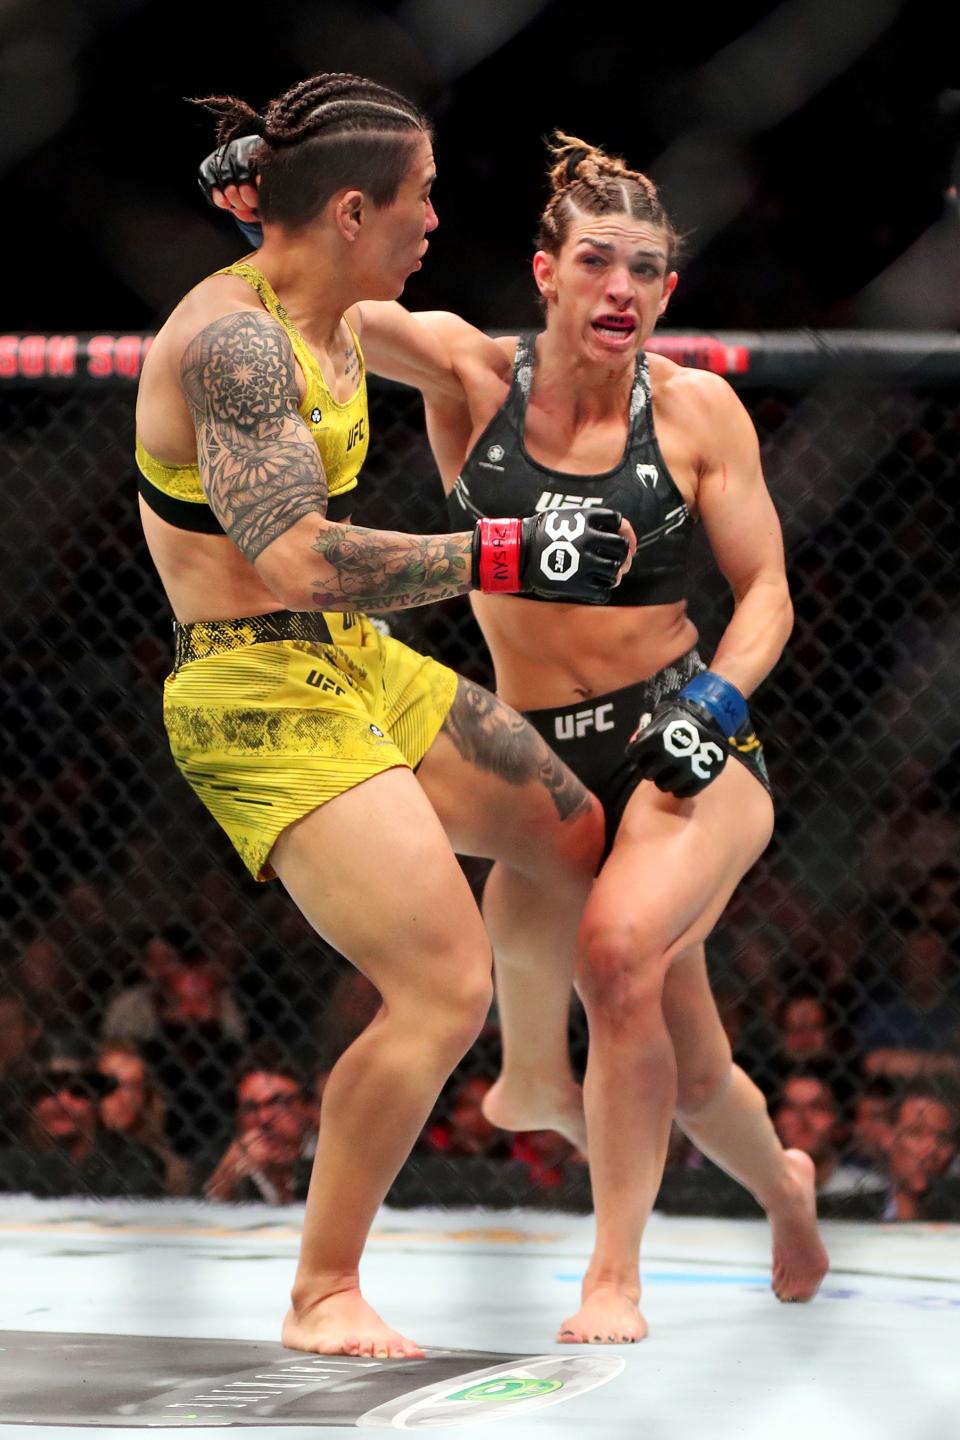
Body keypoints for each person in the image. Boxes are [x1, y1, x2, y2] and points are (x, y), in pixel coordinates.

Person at [201, 123, 829, 1343]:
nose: (623, 290)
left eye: (647, 270)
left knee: (622, 955)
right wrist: (257, 211)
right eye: (598, 260)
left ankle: (613, 1274)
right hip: (534, 755)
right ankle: (785, 1193)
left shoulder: (698, 413)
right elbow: (314, 295)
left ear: (670, 290)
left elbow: (767, 596)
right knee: (689, 1061)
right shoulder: (469, 375)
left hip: (680, 743)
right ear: (547, 273)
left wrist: (719, 703)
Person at [137, 73, 630, 1361]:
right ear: (351, 211)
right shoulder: (235, 346)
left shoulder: (342, 297)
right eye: (417, 200)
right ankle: (322, 1289)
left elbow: (468, 342)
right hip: (254, 690)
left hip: (355, 658)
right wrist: (505, 553)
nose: (432, 221)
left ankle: (536, 1073)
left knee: (578, 834)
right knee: (433, 985)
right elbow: (294, 558)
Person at [204, 1048, 315, 1204]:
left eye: (278, 1102)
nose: (264, 1118)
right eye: (250, 1108)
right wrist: (224, 1183)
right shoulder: (215, 1162)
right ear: (238, 1119)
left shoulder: (333, 1156)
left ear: (308, 1107)